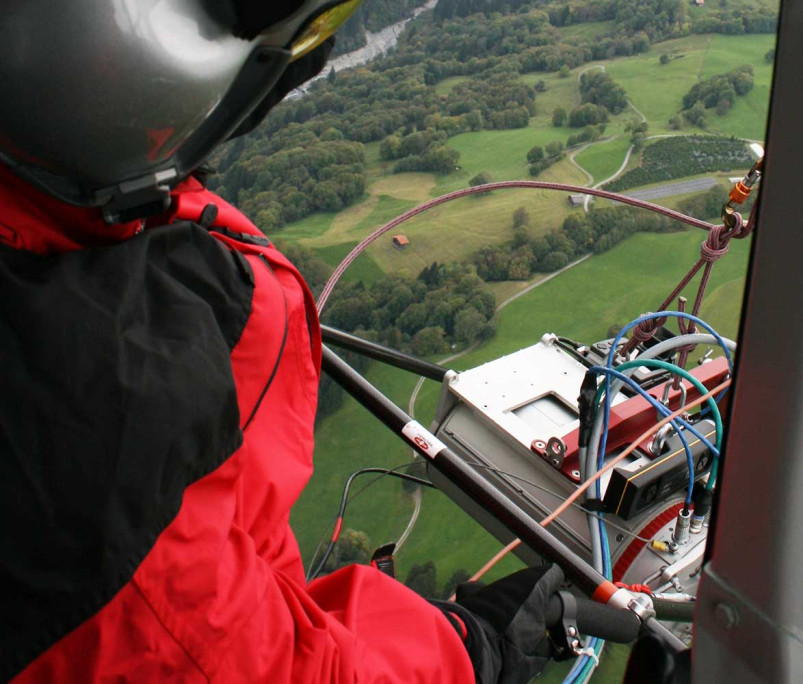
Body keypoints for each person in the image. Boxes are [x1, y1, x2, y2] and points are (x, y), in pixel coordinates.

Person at [0, 2, 561, 682]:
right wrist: (474, 651)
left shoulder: (76, 234)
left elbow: (243, 600)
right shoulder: (88, 411)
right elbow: (221, 654)